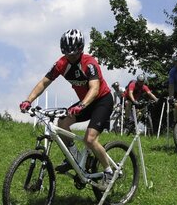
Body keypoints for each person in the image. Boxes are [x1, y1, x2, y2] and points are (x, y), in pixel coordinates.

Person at [19, 29, 114, 189]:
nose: (70, 57)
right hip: (84, 102)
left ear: (81, 49)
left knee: (89, 139)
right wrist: (28, 101)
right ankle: (75, 158)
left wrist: (82, 105)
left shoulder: (89, 63)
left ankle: (109, 171)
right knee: (62, 122)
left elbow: (94, 88)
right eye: (67, 54)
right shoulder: (61, 64)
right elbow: (44, 83)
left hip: (101, 100)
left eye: (74, 54)